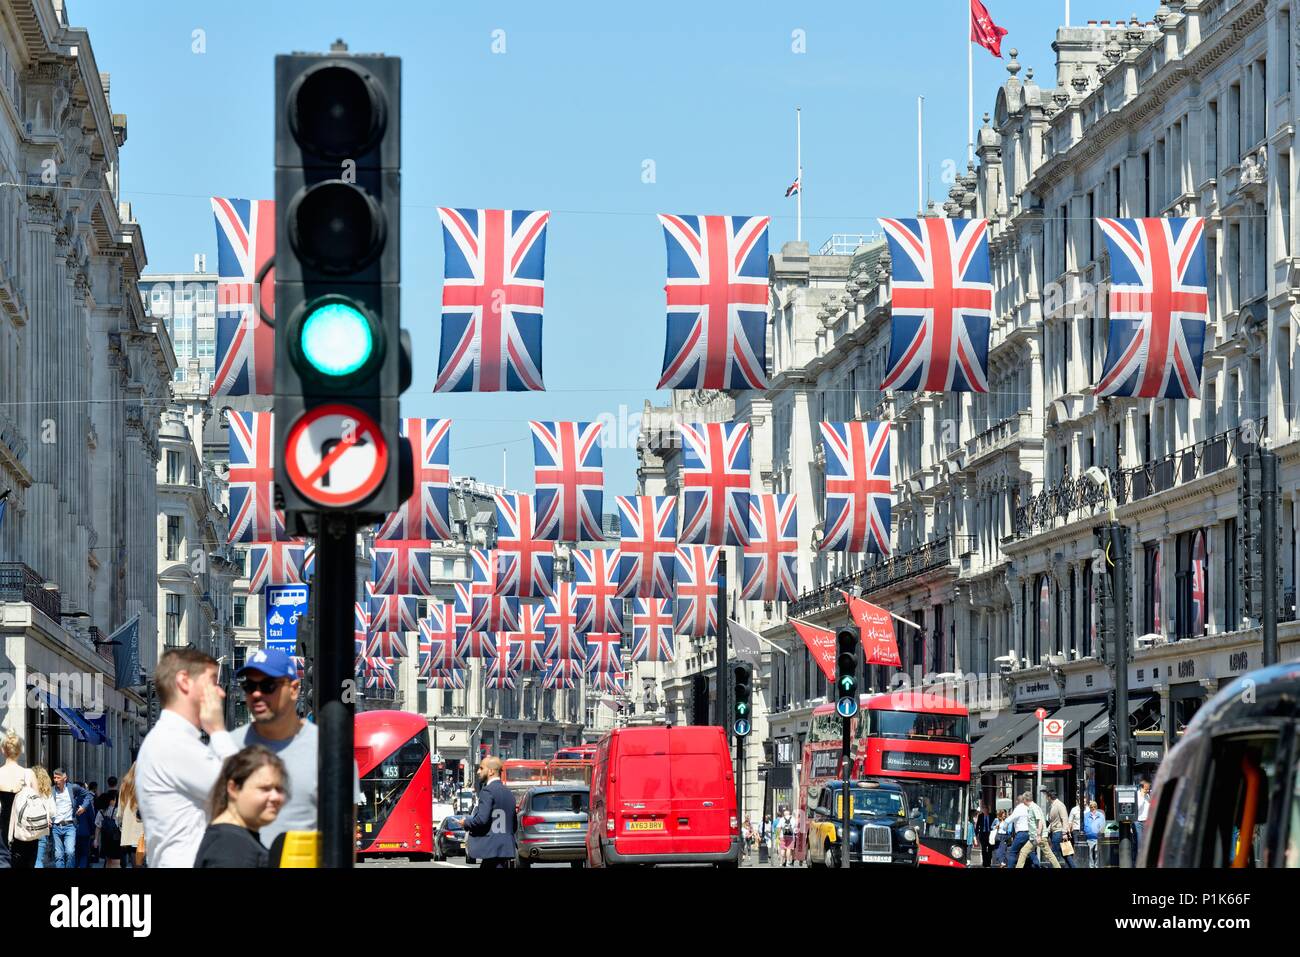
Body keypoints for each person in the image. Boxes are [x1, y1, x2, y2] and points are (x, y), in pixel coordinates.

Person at [229, 648, 363, 850]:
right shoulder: (228, 747)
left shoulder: (329, 751)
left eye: (268, 686)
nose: (256, 694)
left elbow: (345, 838)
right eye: (249, 686)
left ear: (294, 689)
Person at [135, 647, 239, 868]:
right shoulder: (173, 744)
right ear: (184, 681)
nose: (220, 693)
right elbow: (245, 789)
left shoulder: (172, 740)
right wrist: (218, 731)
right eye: (212, 681)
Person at [194, 746, 287, 868]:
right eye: (265, 789)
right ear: (233, 788)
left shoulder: (233, 841)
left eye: (279, 789)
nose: (275, 797)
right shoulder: (231, 846)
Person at [456, 756, 517, 867]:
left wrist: (466, 823)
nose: (478, 771)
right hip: (505, 849)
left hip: (491, 849)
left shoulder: (487, 791)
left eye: (481, 768)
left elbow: (482, 819)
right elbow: (514, 825)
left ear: (491, 771)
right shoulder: (509, 793)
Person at [0, 731, 35, 868]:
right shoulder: (28, 774)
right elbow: (39, 804)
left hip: (3, 828)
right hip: (25, 830)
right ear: (20, 750)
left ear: (3, 750)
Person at [8, 762, 52, 868]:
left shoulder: (8, 774)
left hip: (16, 832)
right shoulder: (29, 773)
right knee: (30, 861)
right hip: (32, 832)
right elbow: (37, 801)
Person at [49, 769, 93, 868]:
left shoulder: (73, 788)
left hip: (70, 826)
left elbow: (89, 795)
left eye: (58, 778)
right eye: (54, 778)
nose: (56, 780)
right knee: (58, 855)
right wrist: (47, 817)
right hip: (56, 826)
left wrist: (84, 807)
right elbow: (45, 804)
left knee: (70, 852)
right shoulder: (51, 790)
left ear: (65, 778)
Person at [1015, 793, 1060, 869]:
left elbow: (1040, 821)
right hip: (1033, 837)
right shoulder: (1031, 807)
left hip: (1039, 837)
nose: (1022, 801)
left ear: (1026, 800)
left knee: (1049, 854)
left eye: (1023, 800)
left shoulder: (1034, 807)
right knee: (1023, 851)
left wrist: (1039, 835)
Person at [117, 765, 144, 868]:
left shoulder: (124, 786)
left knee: (135, 863)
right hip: (144, 830)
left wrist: (122, 827)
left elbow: (119, 812)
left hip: (130, 832)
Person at [1045, 789, 1074, 869]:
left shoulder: (1059, 805)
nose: (1046, 798)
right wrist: (1047, 831)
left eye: (1046, 796)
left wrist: (1064, 833)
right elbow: (1052, 822)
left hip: (1059, 833)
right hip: (1056, 832)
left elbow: (1064, 819)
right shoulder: (1053, 805)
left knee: (1053, 855)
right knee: (1066, 855)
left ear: (1049, 797)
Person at [96, 793, 121, 868]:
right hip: (115, 839)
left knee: (108, 860)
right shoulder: (117, 811)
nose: (115, 801)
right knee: (116, 861)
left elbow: (98, 826)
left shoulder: (100, 812)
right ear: (110, 801)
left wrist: (96, 840)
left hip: (105, 839)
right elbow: (120, 825)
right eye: (114, 800)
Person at [1083, 799, 1106, 869]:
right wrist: (1086, 831)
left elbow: (1103, 825)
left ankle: (1097, 866)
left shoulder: (1101, 815)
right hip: (1089, 837)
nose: (1093, 808)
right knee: (1089, 854)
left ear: (1096, 807)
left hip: (1098, 838)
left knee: (1097, 854)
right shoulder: (1086, 815)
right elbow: (1084, 824)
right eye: (1091, 807)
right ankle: (1091, 866)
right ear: (1089, 808)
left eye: (1094, 807)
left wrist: (1100, 832)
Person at [1133, 778, 1151, 864]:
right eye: (1146, 789)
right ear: (1141, 788)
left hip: (1146, 822)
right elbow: (1137, 808)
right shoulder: (1137, 795)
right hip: (1138, 822)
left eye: (1148, 788)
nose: (1148, 790)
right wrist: (1143, 797)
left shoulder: (1148, 796)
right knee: (1139, 844)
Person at [974, 802, 995, 868]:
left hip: (990, 834)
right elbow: (977, 826)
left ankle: (988, 863)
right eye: (984, 809)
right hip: (983, 834)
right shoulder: (980, 816)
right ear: (983, 810)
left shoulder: (992, 816)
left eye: (987, 809)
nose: (985, 810)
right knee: (983, 849)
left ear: (988, 810)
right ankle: (984, 863)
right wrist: (976, 834)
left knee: (990, 849)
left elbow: (995, 824)